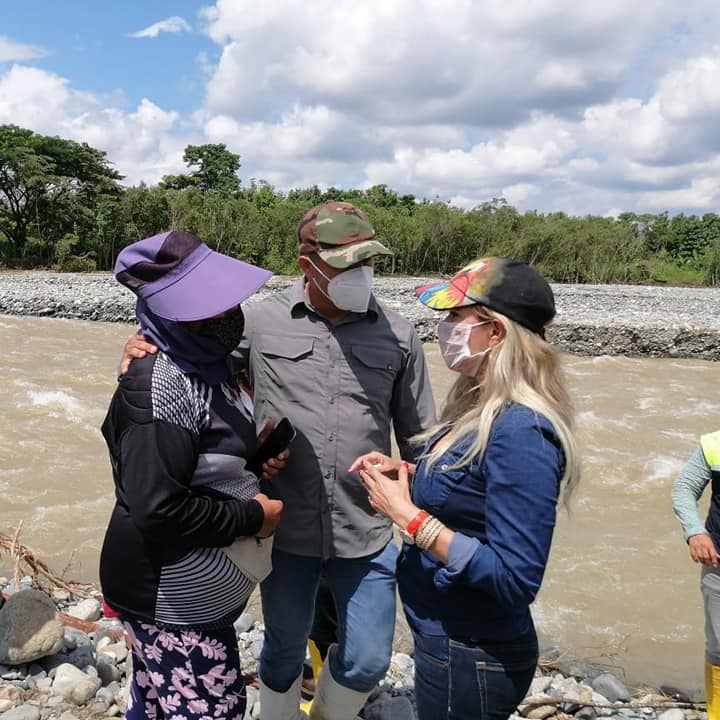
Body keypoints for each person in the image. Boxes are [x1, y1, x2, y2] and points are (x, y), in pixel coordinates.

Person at [122, 202, 437, 720]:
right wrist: (141, 349)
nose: (362, 273)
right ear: (307, 263)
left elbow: (420, 441)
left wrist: (427, 519)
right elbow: (197, 374)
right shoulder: (259, 322)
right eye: (348, 263)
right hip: (282, 528)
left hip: (366, 529)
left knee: (368, 659)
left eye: (368, 261)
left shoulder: (399, 335)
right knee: (284, 649)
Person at [354, 257, 580, 720]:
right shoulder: (479, 404)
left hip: (474, 652)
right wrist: (410, 475)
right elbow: (475, 489)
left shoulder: (522, 430)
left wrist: (409, 518)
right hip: (449, 639)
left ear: (495, 332)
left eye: (456, 316)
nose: (444, 327)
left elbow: (515, 577)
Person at [100, 230, 285, 720]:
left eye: (225, 302)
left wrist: (254, 459)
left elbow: (204, 460)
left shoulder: (213, 366)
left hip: (194, 600)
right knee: (212, 710)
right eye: (208, 308)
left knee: (155, 703)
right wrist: (253, 517)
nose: (226, 314)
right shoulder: (161, 381)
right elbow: (158, 508)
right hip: (169, 601)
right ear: (169, 315)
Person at [672, 430, 720, 716]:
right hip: (718, 564)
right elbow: (684, 488)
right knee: (719, 645)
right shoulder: (715, 444)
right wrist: (694, 532)